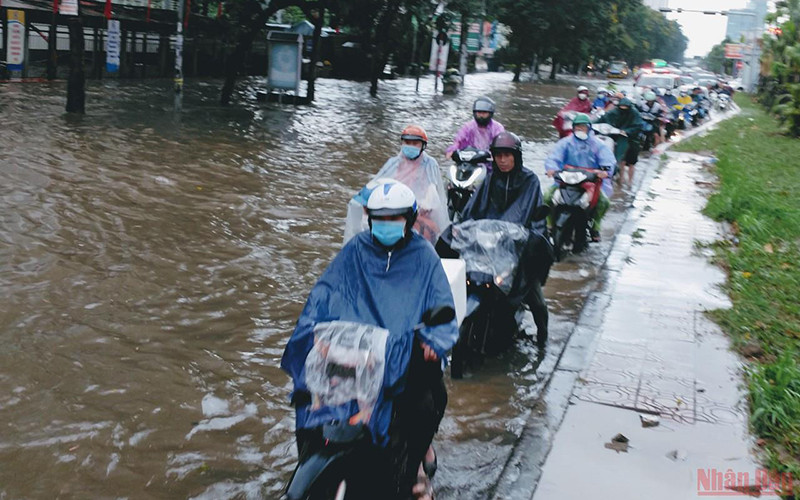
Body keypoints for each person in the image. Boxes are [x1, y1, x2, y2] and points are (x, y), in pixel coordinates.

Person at [282, 180, 459, 500]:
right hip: (352, 352)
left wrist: (434, 340)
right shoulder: (356, 249)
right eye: (380, 218)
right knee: (306, 392)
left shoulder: (424, 256)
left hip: (399, 355)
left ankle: (412, 469)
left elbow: (441, 305)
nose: (386, 224)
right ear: (370, 218)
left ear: (409, 219)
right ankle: (310, 455)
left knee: (427, 400)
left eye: (394, 218)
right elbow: (324, 293)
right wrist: (308, 329)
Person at [453, 131, 553, 348]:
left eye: (507, 155)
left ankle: (543, 339)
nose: (503, 160)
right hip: (488, 247)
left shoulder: (530, 180)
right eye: (498, 156)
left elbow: (532, 213)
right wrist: (461, 228)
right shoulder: (490, 180)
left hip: (518, 248)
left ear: (517, 156)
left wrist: (529, 236)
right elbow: (473, 209)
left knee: (535, 298)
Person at [344, 125, 449, 246]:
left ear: (423, 146)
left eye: (415, 143)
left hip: (418, 213)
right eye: (407, 142)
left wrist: (424, 204)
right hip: (392, 206)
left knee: (428, 231)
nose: (411, 146)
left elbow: (432, 191)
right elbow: (378, 183)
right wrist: (363, 201)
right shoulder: (393, 163)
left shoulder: (430, 164)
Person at [544, 113, 616, 242]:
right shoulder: (565, 143)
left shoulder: (598, 144)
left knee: (603, 202)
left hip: (590, 181)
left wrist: (605, 171)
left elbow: (608, 160)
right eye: (577, 127)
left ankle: (595, 226)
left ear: (589, 128)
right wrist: (551, 169)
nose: (580, 129)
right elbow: (554, 157)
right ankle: (549, 224)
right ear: (573, 128)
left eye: (583, 127)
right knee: (547, 197)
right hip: (567, 179)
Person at [595, 97, 643, 187]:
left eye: (625, 108)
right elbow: (603, 118)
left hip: (631, 139)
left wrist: (627, 131)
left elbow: (638, 126)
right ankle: (620, 180)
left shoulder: (634, 113)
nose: (623, 109)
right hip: (615, 136)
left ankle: (630, 182)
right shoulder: (614, 112)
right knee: (621, 162)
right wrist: (591, 124)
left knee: (631, 162)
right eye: (621, 107)